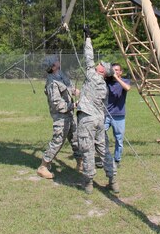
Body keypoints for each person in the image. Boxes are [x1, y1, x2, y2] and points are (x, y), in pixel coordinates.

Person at [76, 26, 117, 194]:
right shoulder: (104, 87)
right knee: (104, 150)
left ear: (101, 71)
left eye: (100, 65)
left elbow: (88, 57)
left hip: (87, 119)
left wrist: (88, 39)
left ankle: (88, 183)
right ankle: (113, 180)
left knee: (87, 150)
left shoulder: (92, 75)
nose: (97, 65)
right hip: (100, 120)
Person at [37, 55, 83, 179]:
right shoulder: (52, 82)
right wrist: (73, 105)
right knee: (58, 141)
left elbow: (68, 88)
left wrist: (76, 91)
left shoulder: (61, 75)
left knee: (76, 138)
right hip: (61, 117)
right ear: (53, 67)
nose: (59, 61)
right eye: (56, 61)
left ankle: (80, 163)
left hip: (69, 114)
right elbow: (56, 103)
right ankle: (43, 166)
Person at [105, 62, 131, 170]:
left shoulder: (124, 81)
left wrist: (117, 78)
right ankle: (105, 157)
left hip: (119, 116)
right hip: (106, 114)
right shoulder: (106, 82)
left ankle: (117, 159)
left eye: (117, 70)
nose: (115, 72)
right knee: (100, 134)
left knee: (119, 140)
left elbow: (128, 88)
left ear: (121, 72)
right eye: (113, 70)